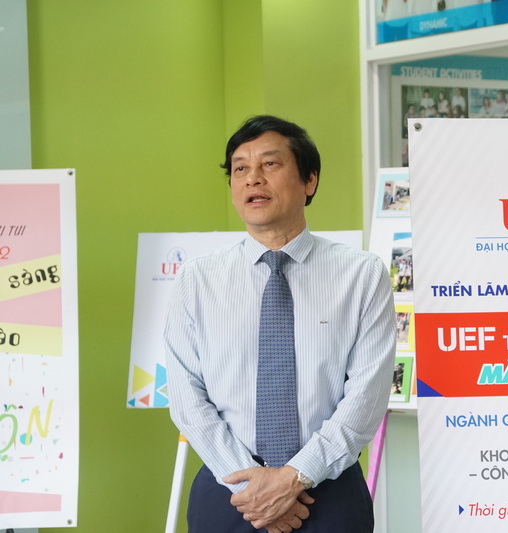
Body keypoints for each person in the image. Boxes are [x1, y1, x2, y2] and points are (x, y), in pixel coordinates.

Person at [164, 115, 396, 533]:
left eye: (270, 164)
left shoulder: (362, 274)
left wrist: (295, 478)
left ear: (310, 180)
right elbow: (186, 397)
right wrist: (253, 488)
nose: (253, 178)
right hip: (229, 489)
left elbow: (367, 394)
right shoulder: (197, 279)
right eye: (240, 168)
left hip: (328, 491)